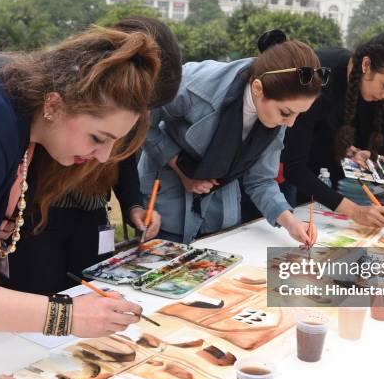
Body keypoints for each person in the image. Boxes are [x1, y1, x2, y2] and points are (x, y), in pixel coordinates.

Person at [0, 27, 160, 346]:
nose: (104, 156)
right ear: (54, 104)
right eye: (98, 138)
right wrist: (67, 316)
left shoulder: (14, 99)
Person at [5, 17, 182, 296]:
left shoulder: (120, 126)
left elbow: (122, 159)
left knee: (93, 289)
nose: (102, 155)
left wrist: (135, 205)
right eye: (97, 139)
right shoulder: (53, 105)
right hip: (40, 214)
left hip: (93, 212)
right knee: (41, 297)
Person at [138, 30, 322, 245]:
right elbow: (143, 121)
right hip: (165, 200)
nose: (290, 123)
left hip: (220, 210)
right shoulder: (194, 83)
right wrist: (181, 167)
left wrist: (292, 223)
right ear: (257, 88)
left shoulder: (277, 112)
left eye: (299, 114)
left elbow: (261, 180)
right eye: (286, 113)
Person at [281, 30, 384, 227]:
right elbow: (293, 165)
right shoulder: (319, 75)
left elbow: (326, 133)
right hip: (275, 179)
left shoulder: (364, 86)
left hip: (316, 186)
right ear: (366, 65)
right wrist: (354, 211)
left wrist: (350, 152)